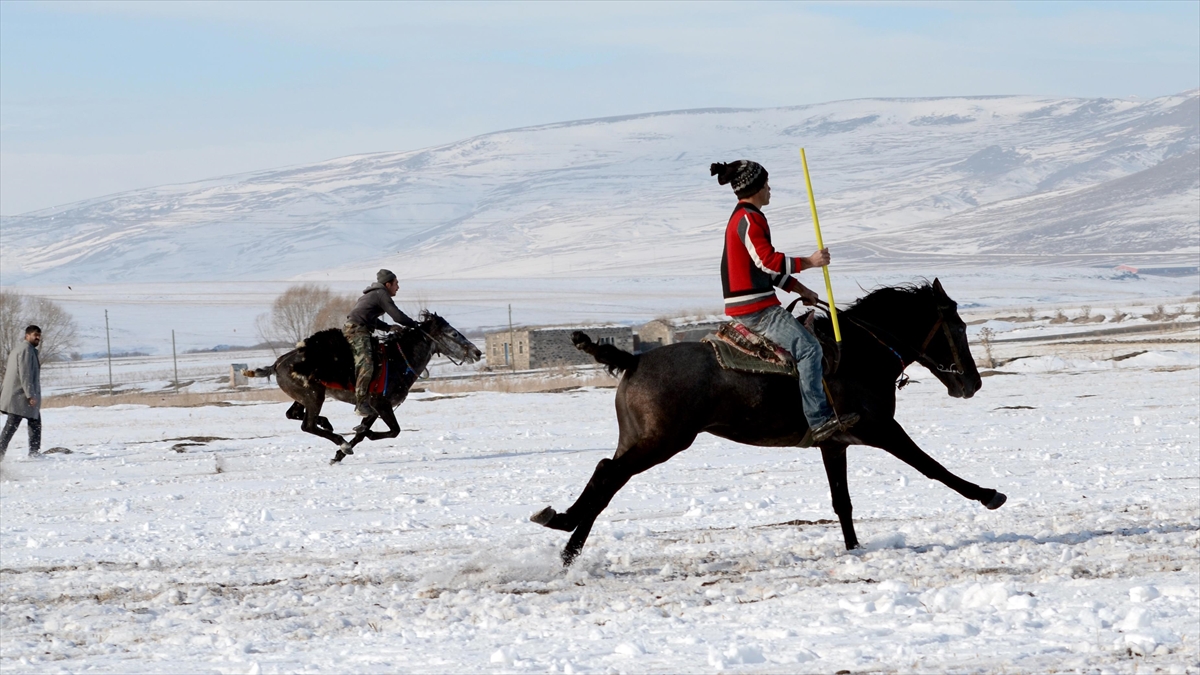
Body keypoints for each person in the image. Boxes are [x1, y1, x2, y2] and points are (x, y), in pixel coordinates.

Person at [711, 160, 857, 443]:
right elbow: (767, 261)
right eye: (766, 184)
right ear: (754, 188)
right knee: (810, 349)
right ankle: (819, 419)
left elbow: (764, 271)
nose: (769, 189)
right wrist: (810, 262)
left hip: (755, 302)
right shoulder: (749, 219)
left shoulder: (746, 217)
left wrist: (801, 289)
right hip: (757, 310)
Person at [344, 270, 418, 417]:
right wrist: (415, 325)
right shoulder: (381, 294)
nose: (398, 287)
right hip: (357, 332)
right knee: (367, 364)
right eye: (396, 284)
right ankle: (361, 403)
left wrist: (388, 328)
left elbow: (370, 319)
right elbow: (397, 316)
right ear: (388, 284)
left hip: (359, 329)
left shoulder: (372, 295)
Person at [1, 325, 43, 459]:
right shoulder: (26, 350)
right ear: (27, 336)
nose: (38, 338)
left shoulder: (23, 349)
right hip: (19, 396)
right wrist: (30, 395)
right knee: (15, 425)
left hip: (18, 395)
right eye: (35, 335)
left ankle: (33, 453)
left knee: (32, 422)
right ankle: (34, 453)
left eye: (39, 335)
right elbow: (25, 374)